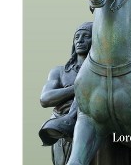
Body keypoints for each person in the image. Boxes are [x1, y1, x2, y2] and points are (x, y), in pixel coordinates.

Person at [39, 22, 93, 165]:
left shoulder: (107, 72)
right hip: (64, 131)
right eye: (77, 37)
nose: (80, 40)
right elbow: (45, 99)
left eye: (86, 36)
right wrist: (77, 87)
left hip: (97, 130)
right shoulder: (60, 72)